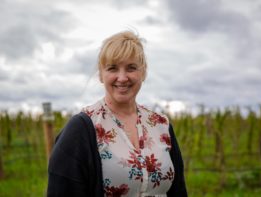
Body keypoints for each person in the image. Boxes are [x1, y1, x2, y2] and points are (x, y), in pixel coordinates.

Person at [47, 31, 188, 197]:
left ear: (143, 72)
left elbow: (178, 190)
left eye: (131, 68)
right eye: (113, 68)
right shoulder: (82, 128)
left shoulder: (161, 125)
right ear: (101, 75)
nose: (122, 78)